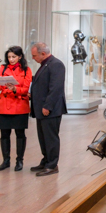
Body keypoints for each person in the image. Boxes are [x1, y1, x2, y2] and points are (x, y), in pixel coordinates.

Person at [29, 42, 66, 177]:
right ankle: (46, 161)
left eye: (34, 55)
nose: (33, 58)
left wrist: (48, 106)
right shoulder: (45, 65)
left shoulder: (56, 64)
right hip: (41, 109)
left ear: (43, 54)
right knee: (43, 137)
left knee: (50, 138)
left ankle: (52, 165)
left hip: (50, 109)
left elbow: (56, 88)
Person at [0, 46, 32, 172]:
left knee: (20, 134)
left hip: (19, 105)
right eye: (9, 57)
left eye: (14, 57)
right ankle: (5, 160)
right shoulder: (3, 68)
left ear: (20, 57)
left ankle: (19, 161)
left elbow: (26, 89)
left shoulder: (26, 70)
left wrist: (15, 89)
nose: (11, 59)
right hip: (4, 105)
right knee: (4, 134)